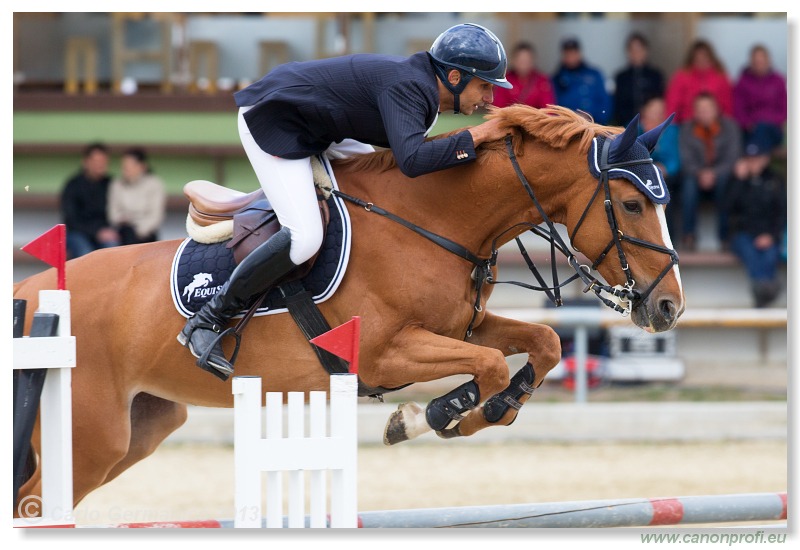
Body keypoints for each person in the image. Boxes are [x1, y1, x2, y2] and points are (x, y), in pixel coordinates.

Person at [178, 23, 513, 380]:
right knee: (304, 236)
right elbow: (413, 162)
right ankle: (207, 319)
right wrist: (477, 135)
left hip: (320, 126)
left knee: (378, 188)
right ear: (455, 76)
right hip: (275, 120)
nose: (490, 98)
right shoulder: (412, 87)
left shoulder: (424, 94)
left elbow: (411, 165)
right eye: (485, 86)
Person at [724, 134, 785, 308]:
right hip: (741, 234)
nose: (753, 163)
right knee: (750, 250)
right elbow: (727, 209)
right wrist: (739, 181)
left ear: (766, 159)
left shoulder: (774, 180)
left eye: (757, 158)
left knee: (770, 254)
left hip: (768, 234)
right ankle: (767, 290)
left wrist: (771, 235)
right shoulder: (737, 180)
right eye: (749, 159)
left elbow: (781, 213)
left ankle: (761, 292)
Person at [678, 92, 741, 251]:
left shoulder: (730, 127)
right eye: (699, 109)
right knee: (688, 186)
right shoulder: (687, 128)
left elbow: (732, 157)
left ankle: (725, 236)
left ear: (717, 109)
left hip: (721, 176)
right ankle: (689, 235)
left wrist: (713, 173)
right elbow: (685, 158)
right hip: (695, 176)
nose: (703, 112)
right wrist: (701, 173)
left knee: (725, 183)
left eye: (707, 108)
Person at [60, 142, 120, 258]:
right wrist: (96, 232)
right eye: (96, 161)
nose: (100, 165)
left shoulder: (111, 184)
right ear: (86, 162)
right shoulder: (73, 185)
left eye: (103, 161)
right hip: (77, 232)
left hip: (105, 232)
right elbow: (71, 219)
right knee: (85, 252)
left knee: (113, 249)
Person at [732, 44, 787, 154]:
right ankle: (759, 159)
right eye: (756, 61)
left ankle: (752, 156)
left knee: (762, 129)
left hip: (772, 127)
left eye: (761, 60)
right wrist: (747, 123)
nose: (759, 64)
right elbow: (738, 108)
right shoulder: (743, 82)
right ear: (751, 62)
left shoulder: (778, 81)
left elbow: (785, 109)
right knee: (757, 132)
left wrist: (770, 121)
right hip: (750, 128)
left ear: (768, 61)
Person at [665, 39, 733, 125]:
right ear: (692, 59)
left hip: (716, 125)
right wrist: (671, 124)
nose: (701, 60)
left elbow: (727, 104)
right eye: (697, 58)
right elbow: (672, 103)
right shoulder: (682, 76)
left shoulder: (720, 76)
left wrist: (726, 125)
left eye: (704, 57)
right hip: (687, 123)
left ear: (711, 58)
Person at [107, 147, 166, 245]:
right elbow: (113, 214)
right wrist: (125, 222)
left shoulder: (155, 184)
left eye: (130, 166)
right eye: (124, 166)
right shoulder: (116, 184)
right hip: (123, 231)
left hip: (146, 234)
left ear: (142, 166)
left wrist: (138, 230)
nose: (126, 170)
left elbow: (155, 216)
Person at [639, 97, 680, 234]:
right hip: (640, 171)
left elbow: (675, 158)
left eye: (660, 110)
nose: (656, 113)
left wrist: (666, 168)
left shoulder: (672, 130)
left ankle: (668, 234)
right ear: (644, 111)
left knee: (665, 190)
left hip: (664, 174)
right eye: (653, 110)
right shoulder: (635, 128)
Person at [551, 37, 611, 124]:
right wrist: (573, 118)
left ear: (579, 53)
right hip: (567, 127)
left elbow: (605, 103)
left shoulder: (594, 74)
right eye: (568, 54)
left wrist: (592, 117)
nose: (571, 57)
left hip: (596, 125)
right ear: (563, 56)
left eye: (574, 53)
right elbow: (554, 107)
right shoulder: (556, 79)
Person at [612, 32, 665, 126]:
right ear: (628, 52)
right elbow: (618, 106)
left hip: (653, 124)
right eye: (632, 50)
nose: (636, 53)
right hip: (627, 125)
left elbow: (660, 102)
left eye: (639, 49)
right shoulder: (621, 77)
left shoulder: (655, 75)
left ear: (646, 51)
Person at [492, 41, 555, 109]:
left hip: (535, 118)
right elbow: (498, 107)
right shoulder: (505, 80)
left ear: (532, 60)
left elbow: (548, 108)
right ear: (513, 60)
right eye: (520, 60)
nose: (523, 64)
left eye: (526, 60)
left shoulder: (542, 80)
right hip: (510, 118)